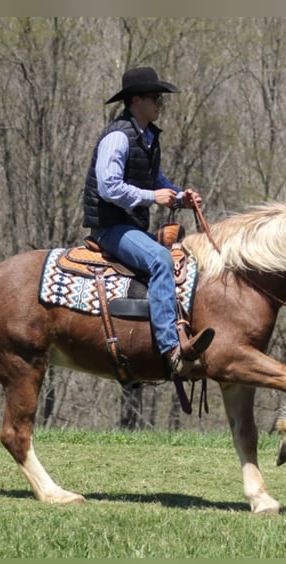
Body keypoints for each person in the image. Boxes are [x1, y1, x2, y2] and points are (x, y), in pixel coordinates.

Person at [82, 66, 214, 378]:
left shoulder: (147, 138)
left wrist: (180, 196)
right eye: (156, 98)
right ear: (136, 100)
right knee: (160, 260)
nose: (160, 104)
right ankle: (171, 350)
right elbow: (108, 186)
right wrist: (154, 198)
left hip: (129, 227)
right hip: (110, 227)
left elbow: (154, 179)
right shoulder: (117, 137)